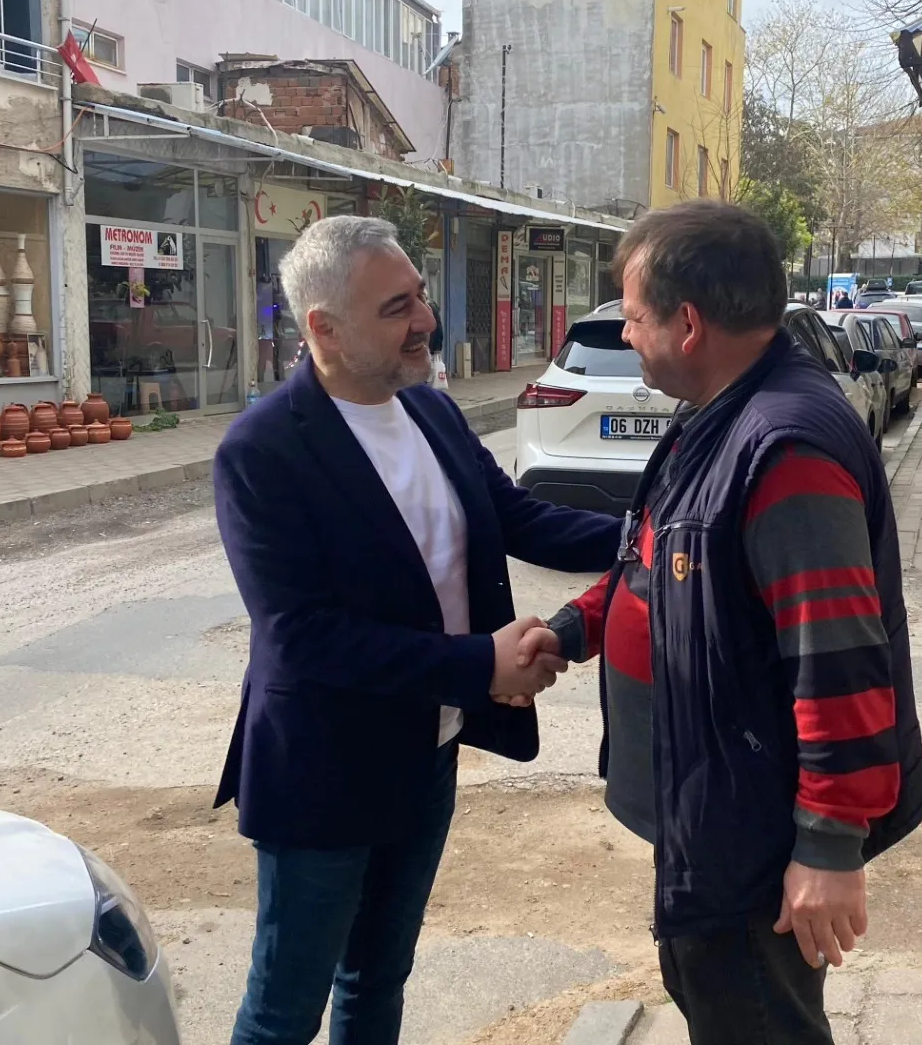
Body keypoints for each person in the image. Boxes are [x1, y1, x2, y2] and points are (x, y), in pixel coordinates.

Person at [519, 201, 922, 1045]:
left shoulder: (784, 448)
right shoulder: (716, 415)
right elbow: (657, 562)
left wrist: (827, 844)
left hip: (753, 830)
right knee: (713, 996)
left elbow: (838, 658)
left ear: (689, 324)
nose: (626, 336)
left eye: (634, 318)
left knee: (754, 1018)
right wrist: (572, 628)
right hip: (710, 808)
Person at [213, 215, 620, 1045]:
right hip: (324, 775)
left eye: (421, 296)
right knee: (284, 1010)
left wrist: (657, 535)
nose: (426, 320)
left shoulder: (430, 411)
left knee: (378, 978)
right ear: (324, 328)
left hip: (426, 755)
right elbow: (302, 636)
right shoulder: (263, 450)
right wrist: (481, 665)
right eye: (396, 307)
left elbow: (518, 518)